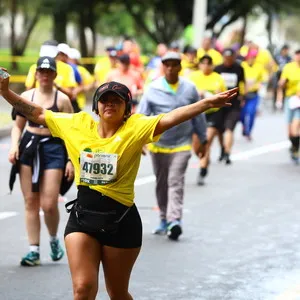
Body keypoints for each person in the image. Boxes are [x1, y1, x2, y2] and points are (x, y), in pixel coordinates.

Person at [0, 65, 237, 299]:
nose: (110, 104)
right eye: (105, 100)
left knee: (117, 293)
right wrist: (6, 92)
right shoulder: (78, 124)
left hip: (121, 221)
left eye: (117, 100)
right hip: (83, 218)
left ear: (127, 109)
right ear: (96, 106)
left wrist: (206, 104)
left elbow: (171, 117)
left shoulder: (135, 127)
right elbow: (39, 114)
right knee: (83, 288)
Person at [7, 57, 74, 266]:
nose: (45, 75)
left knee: (49, 203)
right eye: (41, 71)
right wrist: (14, 145)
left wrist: (71, 160)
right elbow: (18, 126)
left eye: (49, 72)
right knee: (30, 201)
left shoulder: (62, 100)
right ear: (36, 74)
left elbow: (71, 132)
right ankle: (33, 250)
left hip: (54, 147)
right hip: (29, 146)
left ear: (54, 75)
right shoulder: (27, 96)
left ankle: (54, 239)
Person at [138, 52, 208, 237]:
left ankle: (174, 220)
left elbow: (198, 114)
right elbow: (142, 116)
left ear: (180, 67)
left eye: (174, 64)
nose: (170, 68)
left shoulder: (190, 88)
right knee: (162, 183)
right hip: (159, 145)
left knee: (175, 181)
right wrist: (140, 141)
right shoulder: (152, 89)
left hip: (182, 144)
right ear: (162, 67)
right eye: (166, 65)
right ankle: (163, 218)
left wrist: (203, 139)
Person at [189, 55, 227, 185]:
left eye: (208, 63)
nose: (206, 66)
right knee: (197, 147)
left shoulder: (218, 78)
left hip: (213, 113)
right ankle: (204, 158)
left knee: (207, 140)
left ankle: (202, 168)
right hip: (197, 113)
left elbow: (224, 97)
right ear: (199, 65)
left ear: (212, 65)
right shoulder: (193, 77)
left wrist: (218, 95)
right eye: (203, 63)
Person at [214, 48, 245, 163]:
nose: (228, 60)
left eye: (230, 58)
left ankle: (227, 152)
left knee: (229, 128)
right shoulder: (218, 69)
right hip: (220, 103)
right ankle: (223, 148)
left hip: (234, 103)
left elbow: (242, 83)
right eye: (226, 58)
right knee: (220, 130)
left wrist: (242, 96)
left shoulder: (239, 68)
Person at [240, 49, 264, 140]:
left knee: (251, 112)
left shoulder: (259, 67)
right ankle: (243, 126)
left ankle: (248, 131)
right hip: (243, 95)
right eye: (251, 57)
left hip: (253, 94)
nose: (252, 59)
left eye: (254, 57)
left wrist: (258, 85)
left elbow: (261, 80)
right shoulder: (242, 66)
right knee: (242, 114)